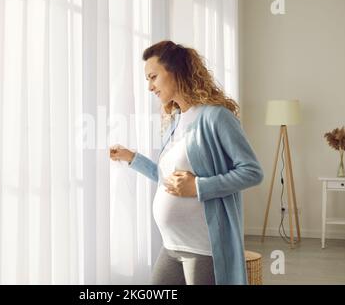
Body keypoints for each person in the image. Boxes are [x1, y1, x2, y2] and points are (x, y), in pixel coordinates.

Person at [109, 40, 263, 285]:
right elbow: (168, 180)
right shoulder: (176, 120)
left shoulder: (216, 117)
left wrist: (199, 186)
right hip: (171, 245)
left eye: (153, 77)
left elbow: (252, 172)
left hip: (203, 248)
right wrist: (132, 158)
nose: (149, 87)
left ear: (176, 72)